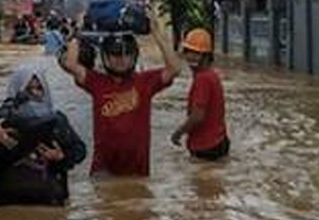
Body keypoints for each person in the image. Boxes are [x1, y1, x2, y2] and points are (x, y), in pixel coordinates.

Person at [59, 18, 181, 177]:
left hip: (137, 169)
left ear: (134, 56)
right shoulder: (96, 82)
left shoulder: (145, 82)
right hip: (103, 169)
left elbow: (175, 68)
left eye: (126, 54)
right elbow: (70, 64)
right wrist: (77, 34)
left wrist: (156, 33)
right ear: (105, 57)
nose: (121, 60)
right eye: (115, 55)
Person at [0, 63, 86, 207]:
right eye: (28, 89)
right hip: (2, 202)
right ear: (18, 90)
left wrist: (60, 156)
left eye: (39, 88)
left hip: (48, 201)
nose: (34, 93)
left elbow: (80, 151)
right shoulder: (3, 116)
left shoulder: (57, 120)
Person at [168, 28, 230, 161]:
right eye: (188, 52)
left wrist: (178, 133)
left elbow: (197, 116)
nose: (190, 57)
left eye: (196, 53)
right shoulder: (212, 75)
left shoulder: (202, 79)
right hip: (220, 141)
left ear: (206, 56)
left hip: (205, 147)